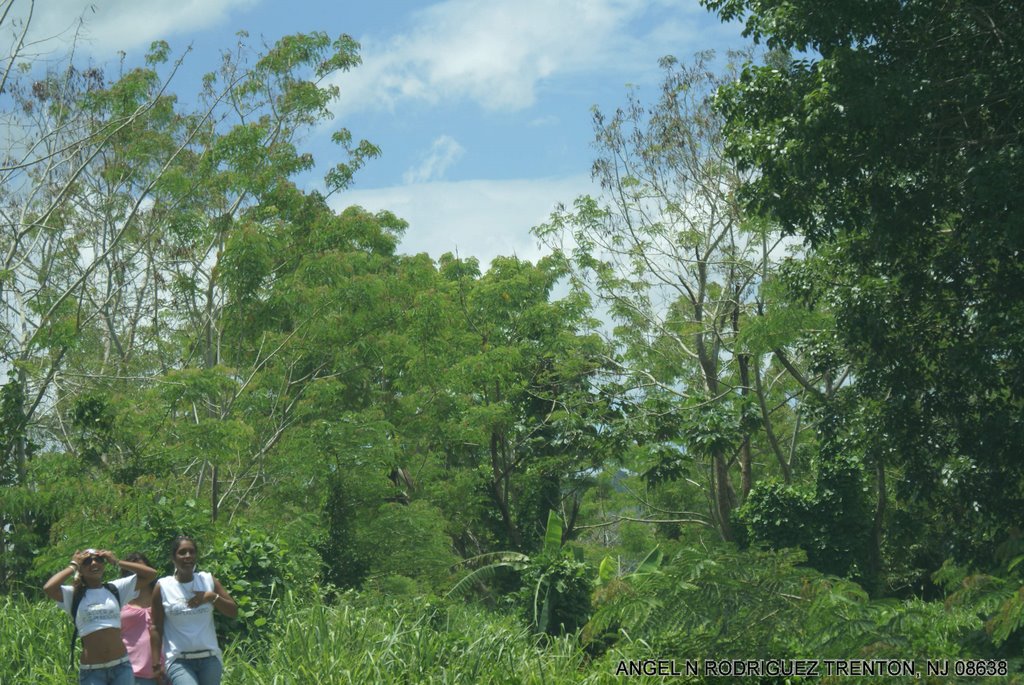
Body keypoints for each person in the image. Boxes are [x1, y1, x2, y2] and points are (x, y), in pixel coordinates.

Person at [43, 548, 158, 685]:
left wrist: (116, 561)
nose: (93, 563)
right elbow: (49, 588)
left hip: (121, 667)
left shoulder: (115, 589)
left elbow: (151, 574)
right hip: (92, 672)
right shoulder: (73, 594)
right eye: (87, 561)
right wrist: (73, 565)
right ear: (81, 568)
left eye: (98, 559)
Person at [151, 535, 237, 685]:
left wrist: (211, 596)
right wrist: (156, 662)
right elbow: (156, 627)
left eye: (191, 552)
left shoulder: (207, 580)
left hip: (209, 659)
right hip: (179, 660)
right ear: (173, 557)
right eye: (182, 552)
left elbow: (233, 611)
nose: (188, 556)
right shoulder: (163, 586)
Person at [119, 552, 163, 684]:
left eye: (141, 569)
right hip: (132, 670)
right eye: (133, 570)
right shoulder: (120, 598)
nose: (138, 574)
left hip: (165, 668)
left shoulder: (161, 594)